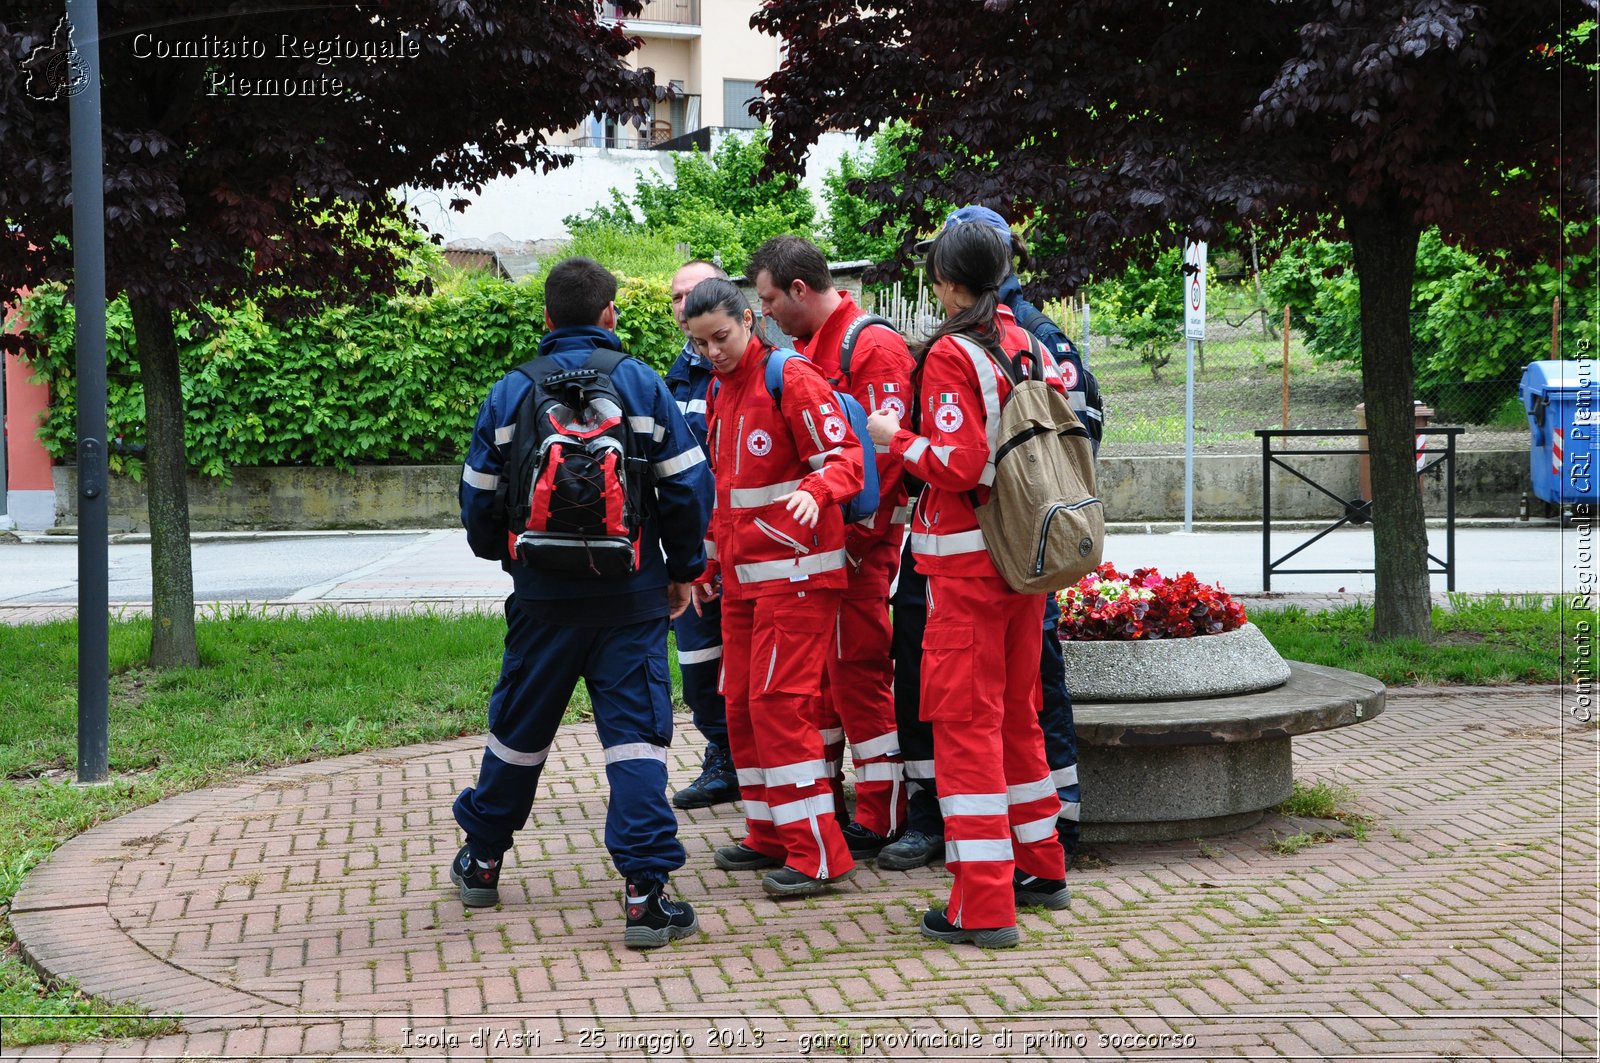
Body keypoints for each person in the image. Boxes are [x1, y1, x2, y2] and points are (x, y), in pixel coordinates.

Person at [453, 257, 713, 950]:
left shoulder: (510, 392)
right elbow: (687, 487)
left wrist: (511, 557)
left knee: (519, 728)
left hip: (542, 597)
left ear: (545, 319)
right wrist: (684, 567)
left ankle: (481, 860)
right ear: (610, 316)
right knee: (635, 739)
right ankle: (644, 895)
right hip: (630, 596)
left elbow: (478, 498)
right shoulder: (642, 384)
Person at [865, 221, 1069, 948]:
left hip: (966, 566)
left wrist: (894, 438)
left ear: (946, 283)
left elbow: (957, 464)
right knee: (1018, 712)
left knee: (964, 728)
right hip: (1023, 558)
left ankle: (981, 904)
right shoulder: (1024, 339)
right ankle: (1041, 865)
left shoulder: (955, 352)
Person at [684, 276, 864, 898]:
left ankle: (816, 854)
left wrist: (817, 491)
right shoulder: (719, 392)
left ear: (747, 322)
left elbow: (846, 461)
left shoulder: (790, 378)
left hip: (799, 577)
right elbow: (726, 496)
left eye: (721, 337)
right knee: (740, 705)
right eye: (701, 343)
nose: (712, 352)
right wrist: (705, 565)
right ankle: (769, 833)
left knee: (778, 705)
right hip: (744, 581)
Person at [747, 236, 912, 859]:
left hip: (857, 553)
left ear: (798, 290)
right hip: (823, 554)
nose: (764, 315)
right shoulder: (812, 350)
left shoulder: (872, 346)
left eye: (767, 300)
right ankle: (833, 803)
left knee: (859, 676)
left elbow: (888, 457)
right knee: (821, 686)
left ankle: (881, 813)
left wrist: (857, 547)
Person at [665, 259, 740, 810]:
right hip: (699, 552)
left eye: (695, 293)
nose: (684, 304)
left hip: (750, 551)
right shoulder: (672, 377)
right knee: (698, 667)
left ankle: (750, 763)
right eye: (676, 297)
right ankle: (725, 755)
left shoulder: (747, 367)